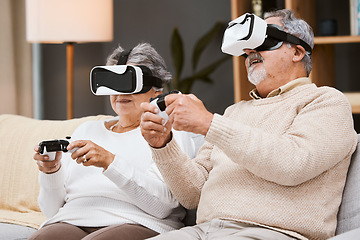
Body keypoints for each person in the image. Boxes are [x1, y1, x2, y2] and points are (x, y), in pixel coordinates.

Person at [140, 9, 358, 240]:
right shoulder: (234, 112)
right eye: (246, 48)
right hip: (202, 232)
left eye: (263, 40)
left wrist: (210, 123)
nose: (249, 51)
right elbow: (192, 194)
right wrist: (162, 145)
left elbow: (293, 164)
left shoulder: (326, 102)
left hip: (270, 232)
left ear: (297, 51)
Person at [29, 43, 203, 240]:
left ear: (156, 90)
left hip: (139, 222)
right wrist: (51, 173)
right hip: (74, 219)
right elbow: (52, 211)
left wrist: (110, 162)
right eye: (113, 81)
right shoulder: (86, 130)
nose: (120, 93)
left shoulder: (166, 134)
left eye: (130, 82)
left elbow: (164, 207)